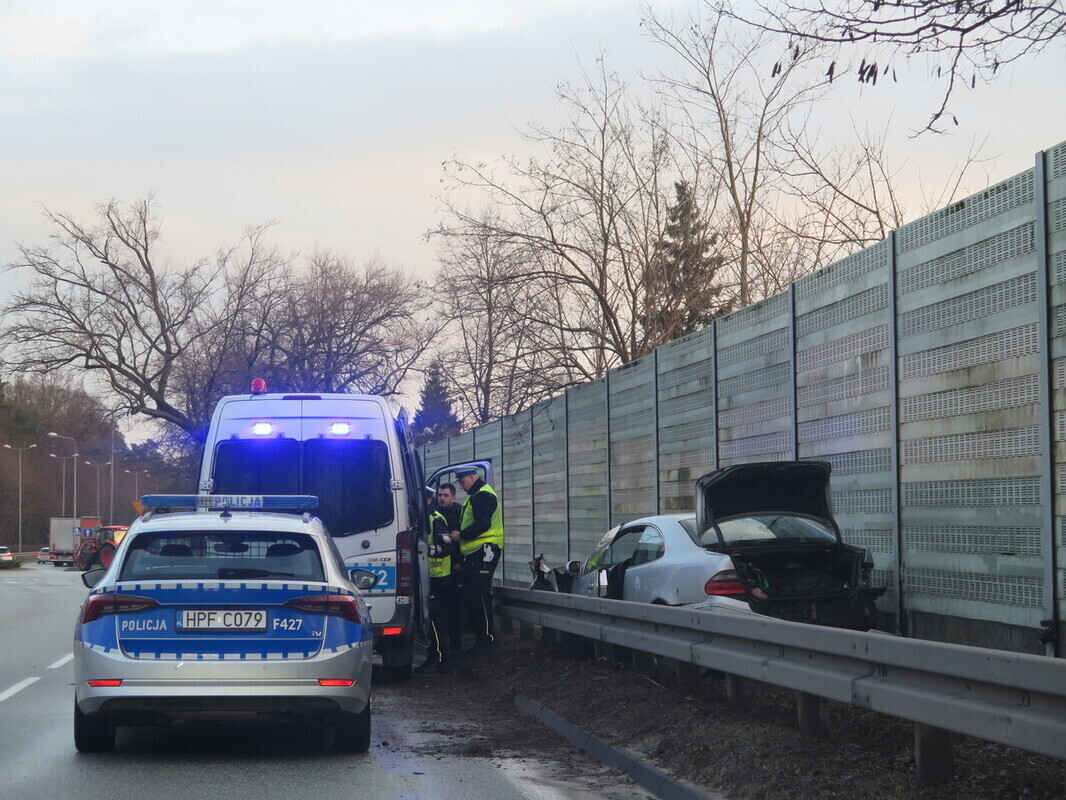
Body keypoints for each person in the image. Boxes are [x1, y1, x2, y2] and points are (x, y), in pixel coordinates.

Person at [449, 467, 503, 653]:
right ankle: (483, 639)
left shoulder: (483, 496)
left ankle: (487, 639)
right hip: (477, 553)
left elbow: (483, 524)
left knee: (479, 595)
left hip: (485, 551)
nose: (462, 487)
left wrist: (461, 535)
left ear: (473, 477)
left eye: (463, 482)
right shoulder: (477, 496)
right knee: (473, 595)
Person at [415, 488, 460, 674]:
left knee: (436, 619)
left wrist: (427, 549)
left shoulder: (435, 519)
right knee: (430, 619)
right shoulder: (423, 519)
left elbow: (447, 547)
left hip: (439, 578)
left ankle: (441, 658)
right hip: (429, 578)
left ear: (427, 501)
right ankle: (433, 657)